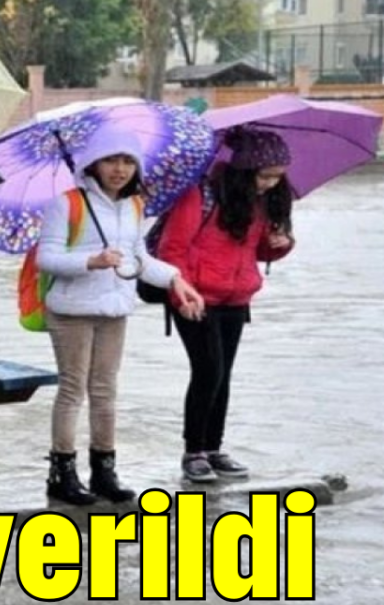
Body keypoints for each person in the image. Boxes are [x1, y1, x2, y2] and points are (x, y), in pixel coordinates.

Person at [36, 128, 205, 505]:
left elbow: (138, 258)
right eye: (111, 160)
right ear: (93, 163)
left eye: (128, 161)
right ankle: (62, 473)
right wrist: (91, 261)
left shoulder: (134, 206)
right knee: (72, 389)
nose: (120, 169)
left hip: (114, 309)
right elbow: (46, 258)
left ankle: (104, 471)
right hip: (72, 310)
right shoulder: (67, 204)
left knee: (105, 390)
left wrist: (175, 279)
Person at [156, 128, 295, 483]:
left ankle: (213, 448)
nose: (270, 184)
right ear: (244, 170)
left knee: (223, 375)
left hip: (236, 298)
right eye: (265, 175)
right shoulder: (199, 194)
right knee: (208, 371)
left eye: (277, 176)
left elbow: (257, 252)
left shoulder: (260, 203)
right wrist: (182, 296)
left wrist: (280, 243)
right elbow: (172, 249)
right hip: (195, 296)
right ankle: (193, 452)